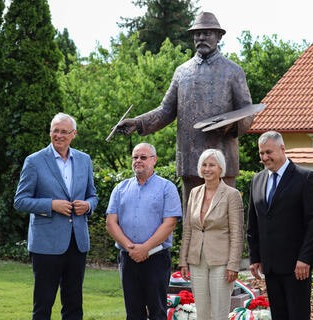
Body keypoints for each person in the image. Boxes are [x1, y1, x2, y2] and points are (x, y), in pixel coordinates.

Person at [115, 12, 253, 214]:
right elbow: (166, 110)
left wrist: (231, 125)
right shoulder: (182, 72)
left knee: (224, 221)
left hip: (223, 160)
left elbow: (248, 112)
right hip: (190, 160)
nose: (201, 38)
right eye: (197, 34)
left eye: (207, 33)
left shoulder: (233, 71)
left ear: (219, 36)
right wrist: (138, 122)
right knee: (193, 222)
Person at [14, 112, 98, 320]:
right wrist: (51, 205)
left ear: (73, 134)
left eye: (63, 131)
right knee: (43, 306)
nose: (58, 135)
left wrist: (87, 206)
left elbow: (93, 195)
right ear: (50, 132)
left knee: (74, 306)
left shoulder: (84, 160)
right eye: (55, 131)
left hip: (77, 243)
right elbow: (20, 200)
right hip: (46, 244)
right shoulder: (34, 161)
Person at [247, 131, 313, 319]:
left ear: (282, 149)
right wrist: (255, 257)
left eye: (269, 152)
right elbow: (253, 222)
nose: (265, 157)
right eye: (261, 153)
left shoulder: (306, 178)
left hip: (297, 266)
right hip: (270, 266)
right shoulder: (257, 180)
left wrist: (305, 258)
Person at [105, 143, 182, 320]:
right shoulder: (120, 188)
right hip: (128, 259)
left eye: (143, 157)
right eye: (135, 157)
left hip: (156, 259)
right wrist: (131, 248)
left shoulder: (167, 188)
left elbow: (169, 223)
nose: (138, 161)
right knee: (133, 313)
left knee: (158, 311)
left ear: (154, 160)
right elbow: (111, 223)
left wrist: (145, 248)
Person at [179, 149, 244, 319]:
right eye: (204, 165)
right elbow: (188, 229)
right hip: (196, 260)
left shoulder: (232, 195)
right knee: (202, 313)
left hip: (222, 263)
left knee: (219, 313)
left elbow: (237, 233)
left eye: (212, 165)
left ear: (220, 168)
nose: (207, 169)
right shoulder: (194, 193)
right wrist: (183, 260)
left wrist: (233, 265)